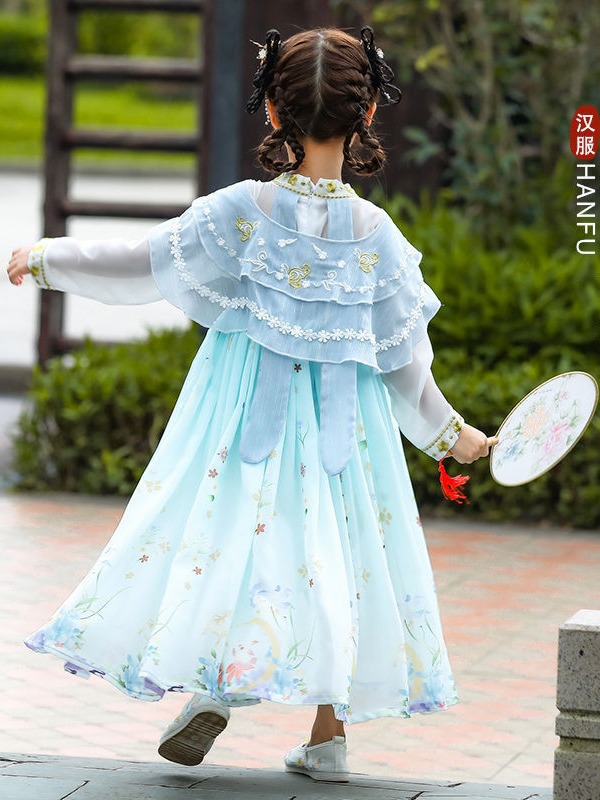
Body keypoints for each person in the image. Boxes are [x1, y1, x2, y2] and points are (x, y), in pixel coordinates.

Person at [7, 27, 493, 783]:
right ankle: (328, 737)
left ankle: (215, 688)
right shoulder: (380, 239)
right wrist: (451, 436)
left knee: (231, 532)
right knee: (338, 552)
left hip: (241, 416)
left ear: (272, 111)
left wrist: (47, 259)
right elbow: (405, 367)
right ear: (367, 114)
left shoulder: (242, 211)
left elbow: (144, 263)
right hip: (345, 432)